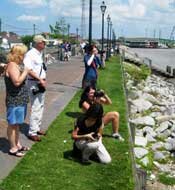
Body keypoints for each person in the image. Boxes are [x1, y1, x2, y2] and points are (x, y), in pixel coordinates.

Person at [4, 45, 30, 157]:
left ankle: (17, 144)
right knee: (12, 124)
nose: (24, 56)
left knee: (17, 124)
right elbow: (17, 82)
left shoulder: (16, 65)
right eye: (23, 53)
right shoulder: (12, 65)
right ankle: (13, 148)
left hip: (20, 99)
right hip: (15, 100)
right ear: (18, 54)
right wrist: (26, 71)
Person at [23, 35, 47, 141]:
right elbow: (28, 69)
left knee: (40, 106)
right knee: (36, 106)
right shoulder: (30, 54)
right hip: (34, 83)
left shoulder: (38, 53)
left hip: (39, 82)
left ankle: (36, 128)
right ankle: (32, 132)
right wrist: (39, 79)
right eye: (43, 42)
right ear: (38, 43)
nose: (45, 44)